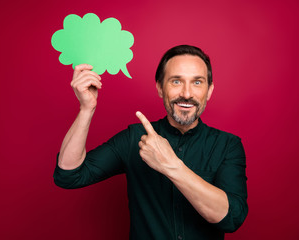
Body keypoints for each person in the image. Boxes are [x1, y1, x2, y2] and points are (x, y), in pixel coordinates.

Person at [54, 45, 248, 240]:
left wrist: (171, 166)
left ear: (209, 90)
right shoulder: (134, 138)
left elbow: (232, 218)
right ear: (160, 88)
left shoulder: (227, 145)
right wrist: (86, 109)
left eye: (197, 82)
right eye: (176, 81)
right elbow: (69, 175)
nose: (187, 93)